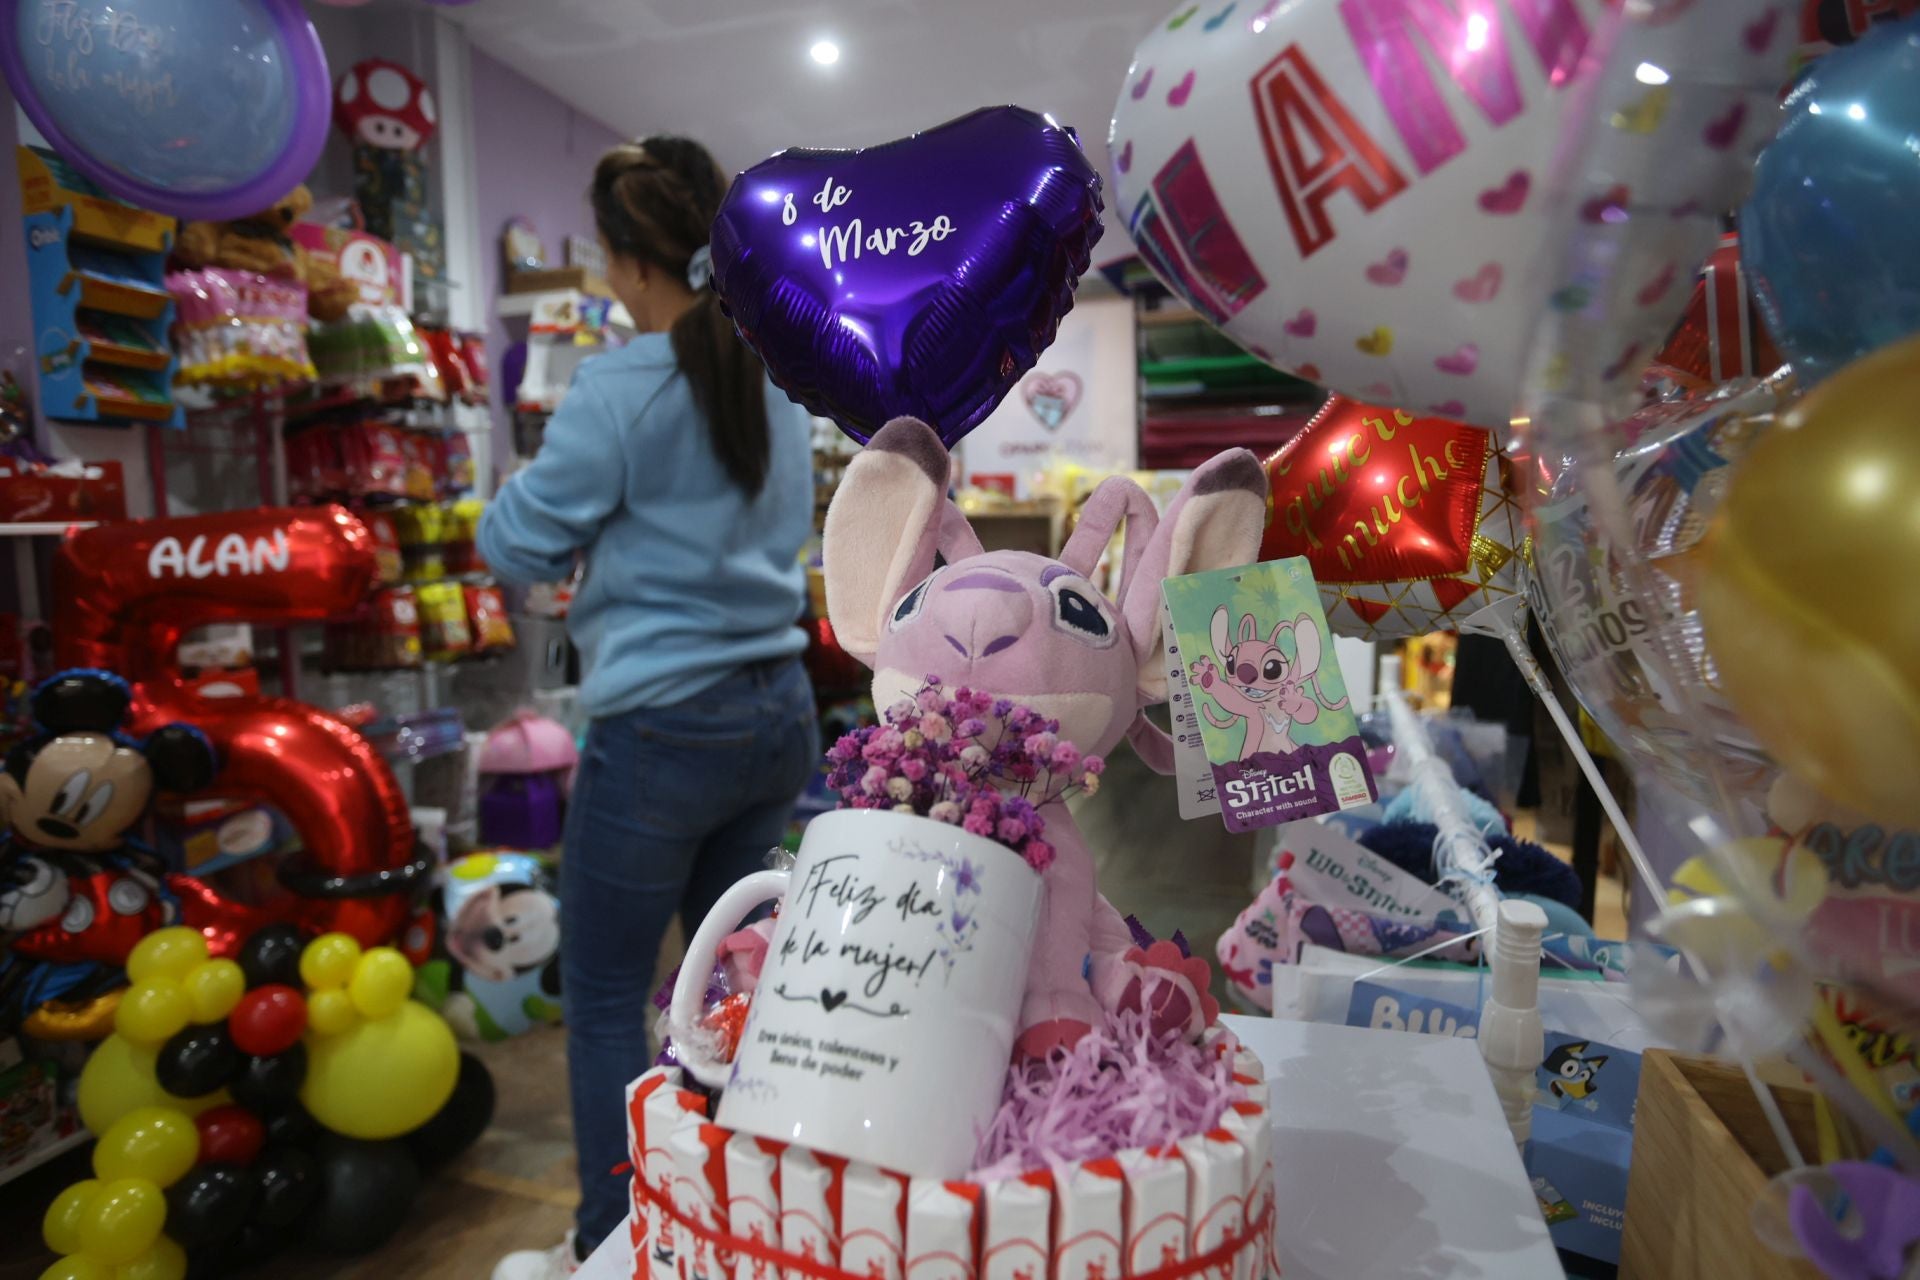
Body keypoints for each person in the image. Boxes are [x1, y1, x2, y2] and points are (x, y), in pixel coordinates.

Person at [485, 137, 819, 1279]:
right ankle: (741, 1217)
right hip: (778, 710)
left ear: (630, 265)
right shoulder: (776, 363)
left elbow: (519, 535)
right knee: (736, 976)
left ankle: (609, 1242)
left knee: (611, 994)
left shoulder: (623, 382)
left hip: (661, 727)